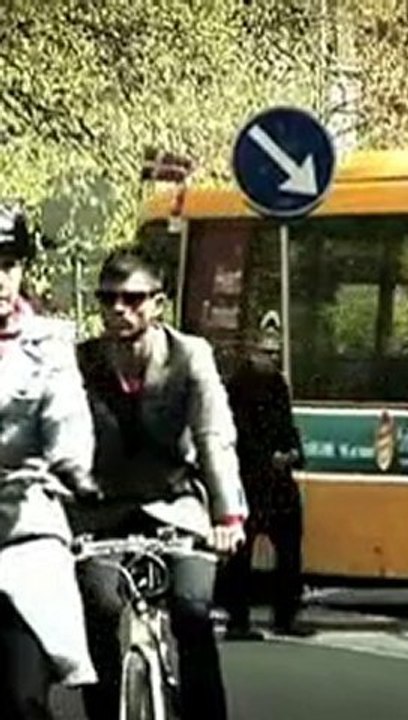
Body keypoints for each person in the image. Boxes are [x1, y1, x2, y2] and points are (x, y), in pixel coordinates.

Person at [71, 248, 249, 720]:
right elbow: (59, 438)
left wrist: (226, 516)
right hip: (100, 511)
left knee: (192, 613)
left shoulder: (190, 356)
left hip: (177, 506)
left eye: (132, 299)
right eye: (107, 299)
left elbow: (213, 436)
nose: (118, 311)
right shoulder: (80, 362)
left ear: (158, 303)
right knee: (101, 615)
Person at [0, 203, 101, 719]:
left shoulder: (51, 344)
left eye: (8, 263)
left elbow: (66, 414)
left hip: (24, 530)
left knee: (24, 697)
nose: (0, 277)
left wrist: (72, 465)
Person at [220, 320, 307, 638]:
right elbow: (238, 432)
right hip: (248, 480)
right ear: (252, 352)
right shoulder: (237, 387)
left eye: (276, 353)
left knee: (290, 547)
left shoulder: (278, 385)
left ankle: (286, 615)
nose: (273, 358)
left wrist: (294, 452)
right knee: (241, 554)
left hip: (279, 481)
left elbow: (287, 424)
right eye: (267, 352)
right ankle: (238, 620)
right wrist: (264, 458)